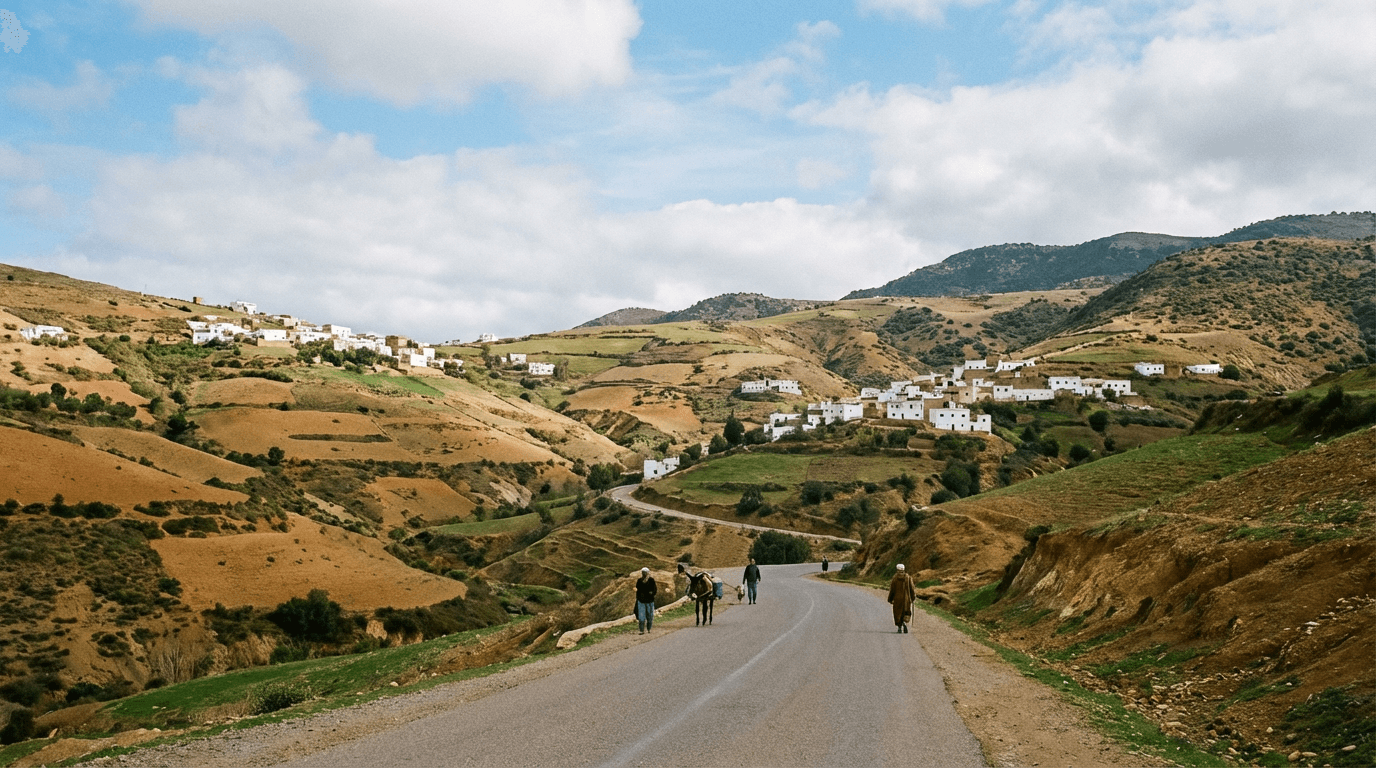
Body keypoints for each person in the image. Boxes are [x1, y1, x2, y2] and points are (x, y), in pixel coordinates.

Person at [887, 563, 916, 634]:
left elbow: (892, 590)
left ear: (897, 569)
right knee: (905, 611)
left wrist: (890, 599)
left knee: (897, 613)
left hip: (897, 599)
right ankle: (905, 623)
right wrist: (912, 598)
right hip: (906, 599)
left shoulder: (895, 578)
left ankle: (899, 627)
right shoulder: (908, 578)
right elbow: (912, 589)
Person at [635, 567, 657, 634]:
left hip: (649, 601)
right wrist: (638, 598)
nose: (644, 574)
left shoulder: (651, 580)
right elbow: (637, 590)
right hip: (641, 601)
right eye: (643, 572)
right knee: (641, 617)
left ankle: (649, 629)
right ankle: (641, 630)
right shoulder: (639, 581)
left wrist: (651, 593)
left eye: (645, 573)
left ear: (647, 573)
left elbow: (655, 590)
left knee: (649, 616)